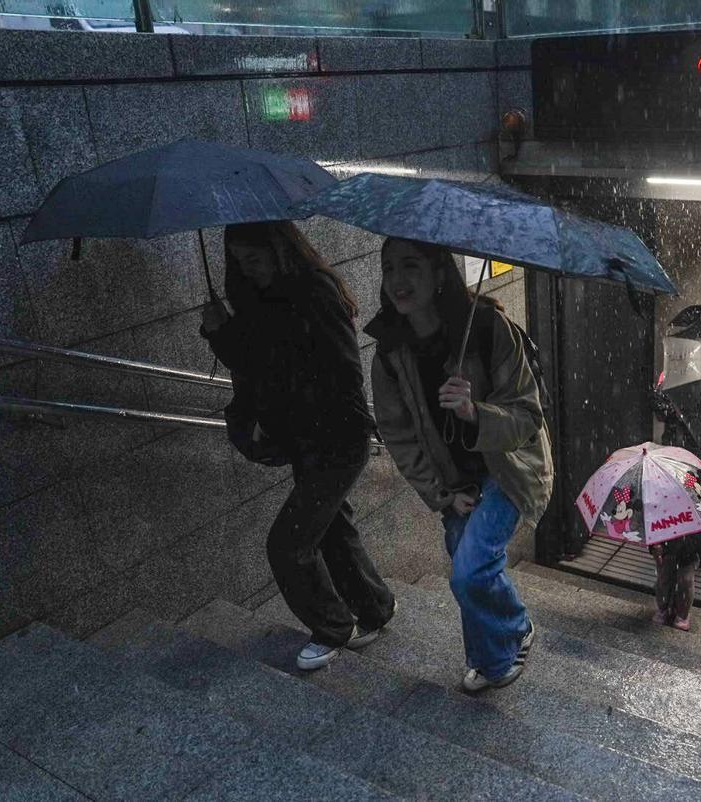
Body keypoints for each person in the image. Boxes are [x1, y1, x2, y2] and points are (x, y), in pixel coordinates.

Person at [201, 221, 393, 672]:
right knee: (332, 529)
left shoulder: (315, 292)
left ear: (281, 251)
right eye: (239, 262)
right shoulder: (261, 298)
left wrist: (349, 431)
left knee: (288, 544)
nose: (247, 271)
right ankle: (376, 608)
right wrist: (222, 331)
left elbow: (342, 370)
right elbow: (261, 367)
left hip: (338, 438)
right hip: (304, 439)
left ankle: (333, 626)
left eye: (255, 260)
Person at [366, 237, 552, 693]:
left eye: (410, 266)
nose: (397, 280)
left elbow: (528, 417)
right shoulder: (390, 353)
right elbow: (398, 434)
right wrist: (441, 493)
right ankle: (489, 658)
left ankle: (514, 628)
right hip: (454, 481)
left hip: (509, 468)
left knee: (470, 572)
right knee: (464, 566)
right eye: (389, 268)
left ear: (438, 273)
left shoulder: (488, 328)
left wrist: (474, 413)